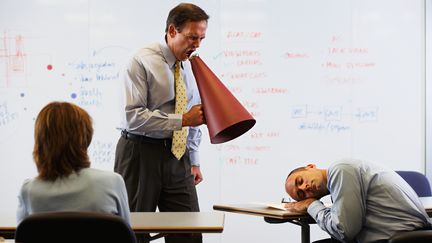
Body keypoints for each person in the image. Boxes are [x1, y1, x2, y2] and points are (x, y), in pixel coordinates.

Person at [114, 3, 208, 243]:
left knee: (188, 233)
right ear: (172, 31)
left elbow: (195, 115)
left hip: (178, 156)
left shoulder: (191, 64)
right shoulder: (141, 61)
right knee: (134, 232)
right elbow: (132, 117)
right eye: (192, 37)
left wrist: (194, 161)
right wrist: (182, 119)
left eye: (201, 38)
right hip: (139, 154)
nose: (196, 45)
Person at [17, 102, 130, 225]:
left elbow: (23, 236)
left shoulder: (29, 191)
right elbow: (126, 235)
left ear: (40, 142)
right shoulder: (112, 182)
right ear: (86, 138)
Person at [284, 158, 432, 243]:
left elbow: (344, 232)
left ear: (310, 166)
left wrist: (311, 205)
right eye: (302, 194)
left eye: (300, 180)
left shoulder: (339, 171)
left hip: (399, 238)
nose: (305, 187)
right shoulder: (340, 177)